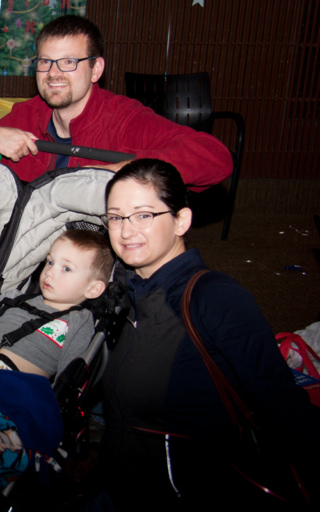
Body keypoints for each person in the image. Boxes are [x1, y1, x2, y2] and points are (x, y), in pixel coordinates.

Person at [98, 158, 320, 510]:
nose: (125, 231)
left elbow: (281, 406)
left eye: (143, 215)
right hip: (118, 488)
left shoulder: (215, 298)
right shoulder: (123, 291)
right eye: (115, 217)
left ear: (181, 220)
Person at [0, 15, 232, 191]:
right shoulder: (26, 115)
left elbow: (216, 158)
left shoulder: (124, 118)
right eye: (45, 62)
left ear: (96, 69)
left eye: (69, 62)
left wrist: (122, 171)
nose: (53, 73)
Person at [0, 230, 112, 380]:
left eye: (66, 268)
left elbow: (69, 374)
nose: (50, 272)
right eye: (50, 262)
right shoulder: (14, 298)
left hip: (18, 387)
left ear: (93, 289)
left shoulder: (78, 320)